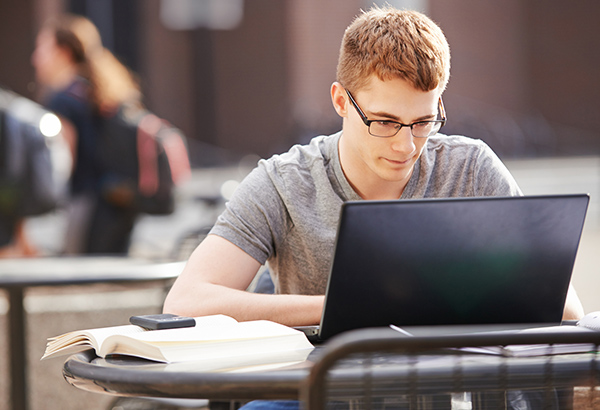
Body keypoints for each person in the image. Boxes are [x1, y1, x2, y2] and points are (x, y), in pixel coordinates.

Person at [164, 7, 584, 325]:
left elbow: (564, 306)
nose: (406, 145)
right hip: (321, 389)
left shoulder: (470, 168)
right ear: (341, 101)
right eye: (384, 122)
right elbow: (188, 301)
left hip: (448, 388)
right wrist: (347, 308)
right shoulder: (284, 182)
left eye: (423, 122)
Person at [31, 14, 142, 254]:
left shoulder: (62, 99)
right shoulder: (95, 90)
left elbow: (62, 162)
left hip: (83, 206)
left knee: (77, 279)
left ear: (63, 52)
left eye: (42, 48)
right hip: (114, 201)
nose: (35, 58)